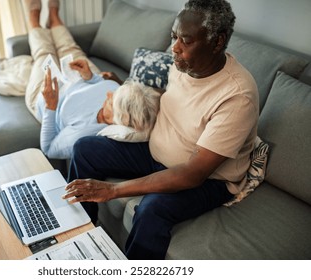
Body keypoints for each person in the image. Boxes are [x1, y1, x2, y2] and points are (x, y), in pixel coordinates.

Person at [63, 0, 259, 260]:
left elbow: (192, 174)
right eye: (173, 36)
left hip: (209, 180)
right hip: (156, 152)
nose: (175, 47)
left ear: (217, 42)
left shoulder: (237, 95)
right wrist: (121, 88)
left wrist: (112, 190)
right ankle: (78, 240)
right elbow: (170, 100)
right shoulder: (185, 64)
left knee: (152, 208)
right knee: (85, 149)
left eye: (185, 41)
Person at [25, 0, 160, 159]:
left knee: (43, 54)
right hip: (78, 80)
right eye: (114, 93)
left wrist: (50, 106)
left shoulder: (83, 135)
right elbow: (104, 85)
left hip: (47, 99)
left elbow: (49, 149)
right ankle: (54, 17)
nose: (109, 94)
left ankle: (34, 19)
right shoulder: (117, 96)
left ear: (115, 120)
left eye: (111, 101)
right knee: (70, 48)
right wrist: (91, 77)